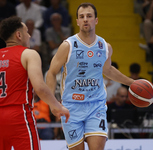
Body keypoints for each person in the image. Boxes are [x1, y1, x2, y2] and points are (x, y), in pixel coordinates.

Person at [0, 16, 69, 150]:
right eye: (27, 31)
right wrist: (57, 106)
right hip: (20, 116)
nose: (29, 35)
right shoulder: (29, 54)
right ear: (19, 35)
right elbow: (39, 87)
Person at [46, 3, 134, 150]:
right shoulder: (68, 45)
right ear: (77, 22)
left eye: (89, 16)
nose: (85, 19)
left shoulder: (105, 46)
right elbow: (51, 72)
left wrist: (132, 82)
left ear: (96, 20)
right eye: (82, 17)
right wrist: (52, 103)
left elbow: (108, 70)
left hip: (96, 105)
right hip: (71, 107)